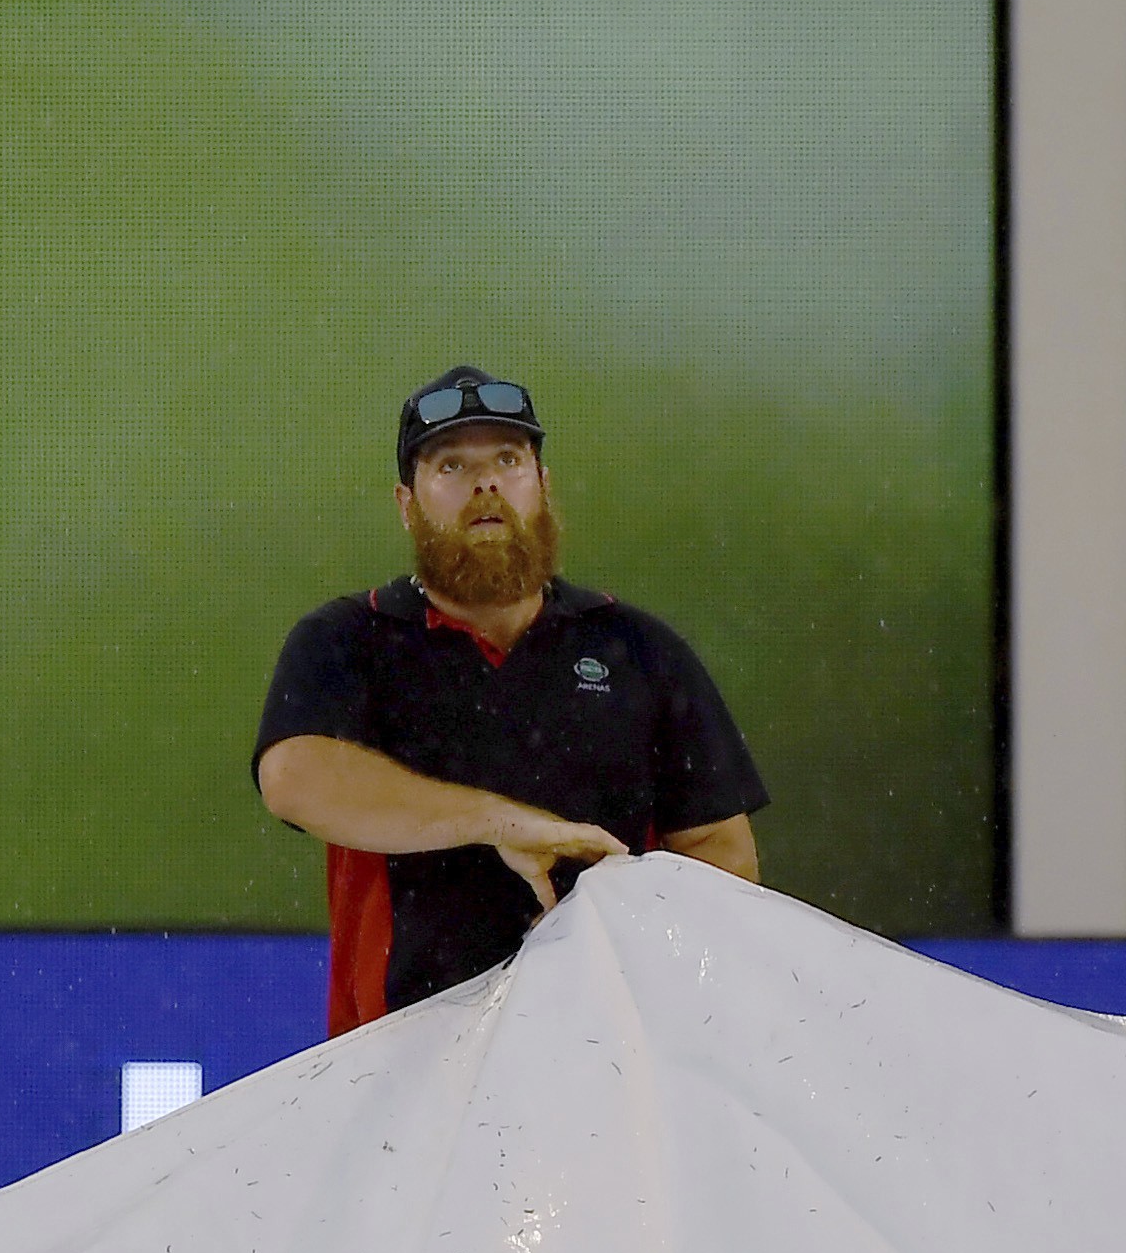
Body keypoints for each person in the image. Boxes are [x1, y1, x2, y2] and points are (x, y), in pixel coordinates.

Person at [251, 365, 764, 1034]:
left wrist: (624, 930)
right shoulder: (348, 639)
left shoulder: (639, 649)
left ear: (543, 486)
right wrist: (503, 823)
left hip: (607, 1057)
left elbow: (724, 856)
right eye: (452, 465)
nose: (486, 481)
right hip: (398, 1067)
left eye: (509, 458)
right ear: (407, 503)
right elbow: (294, 778)